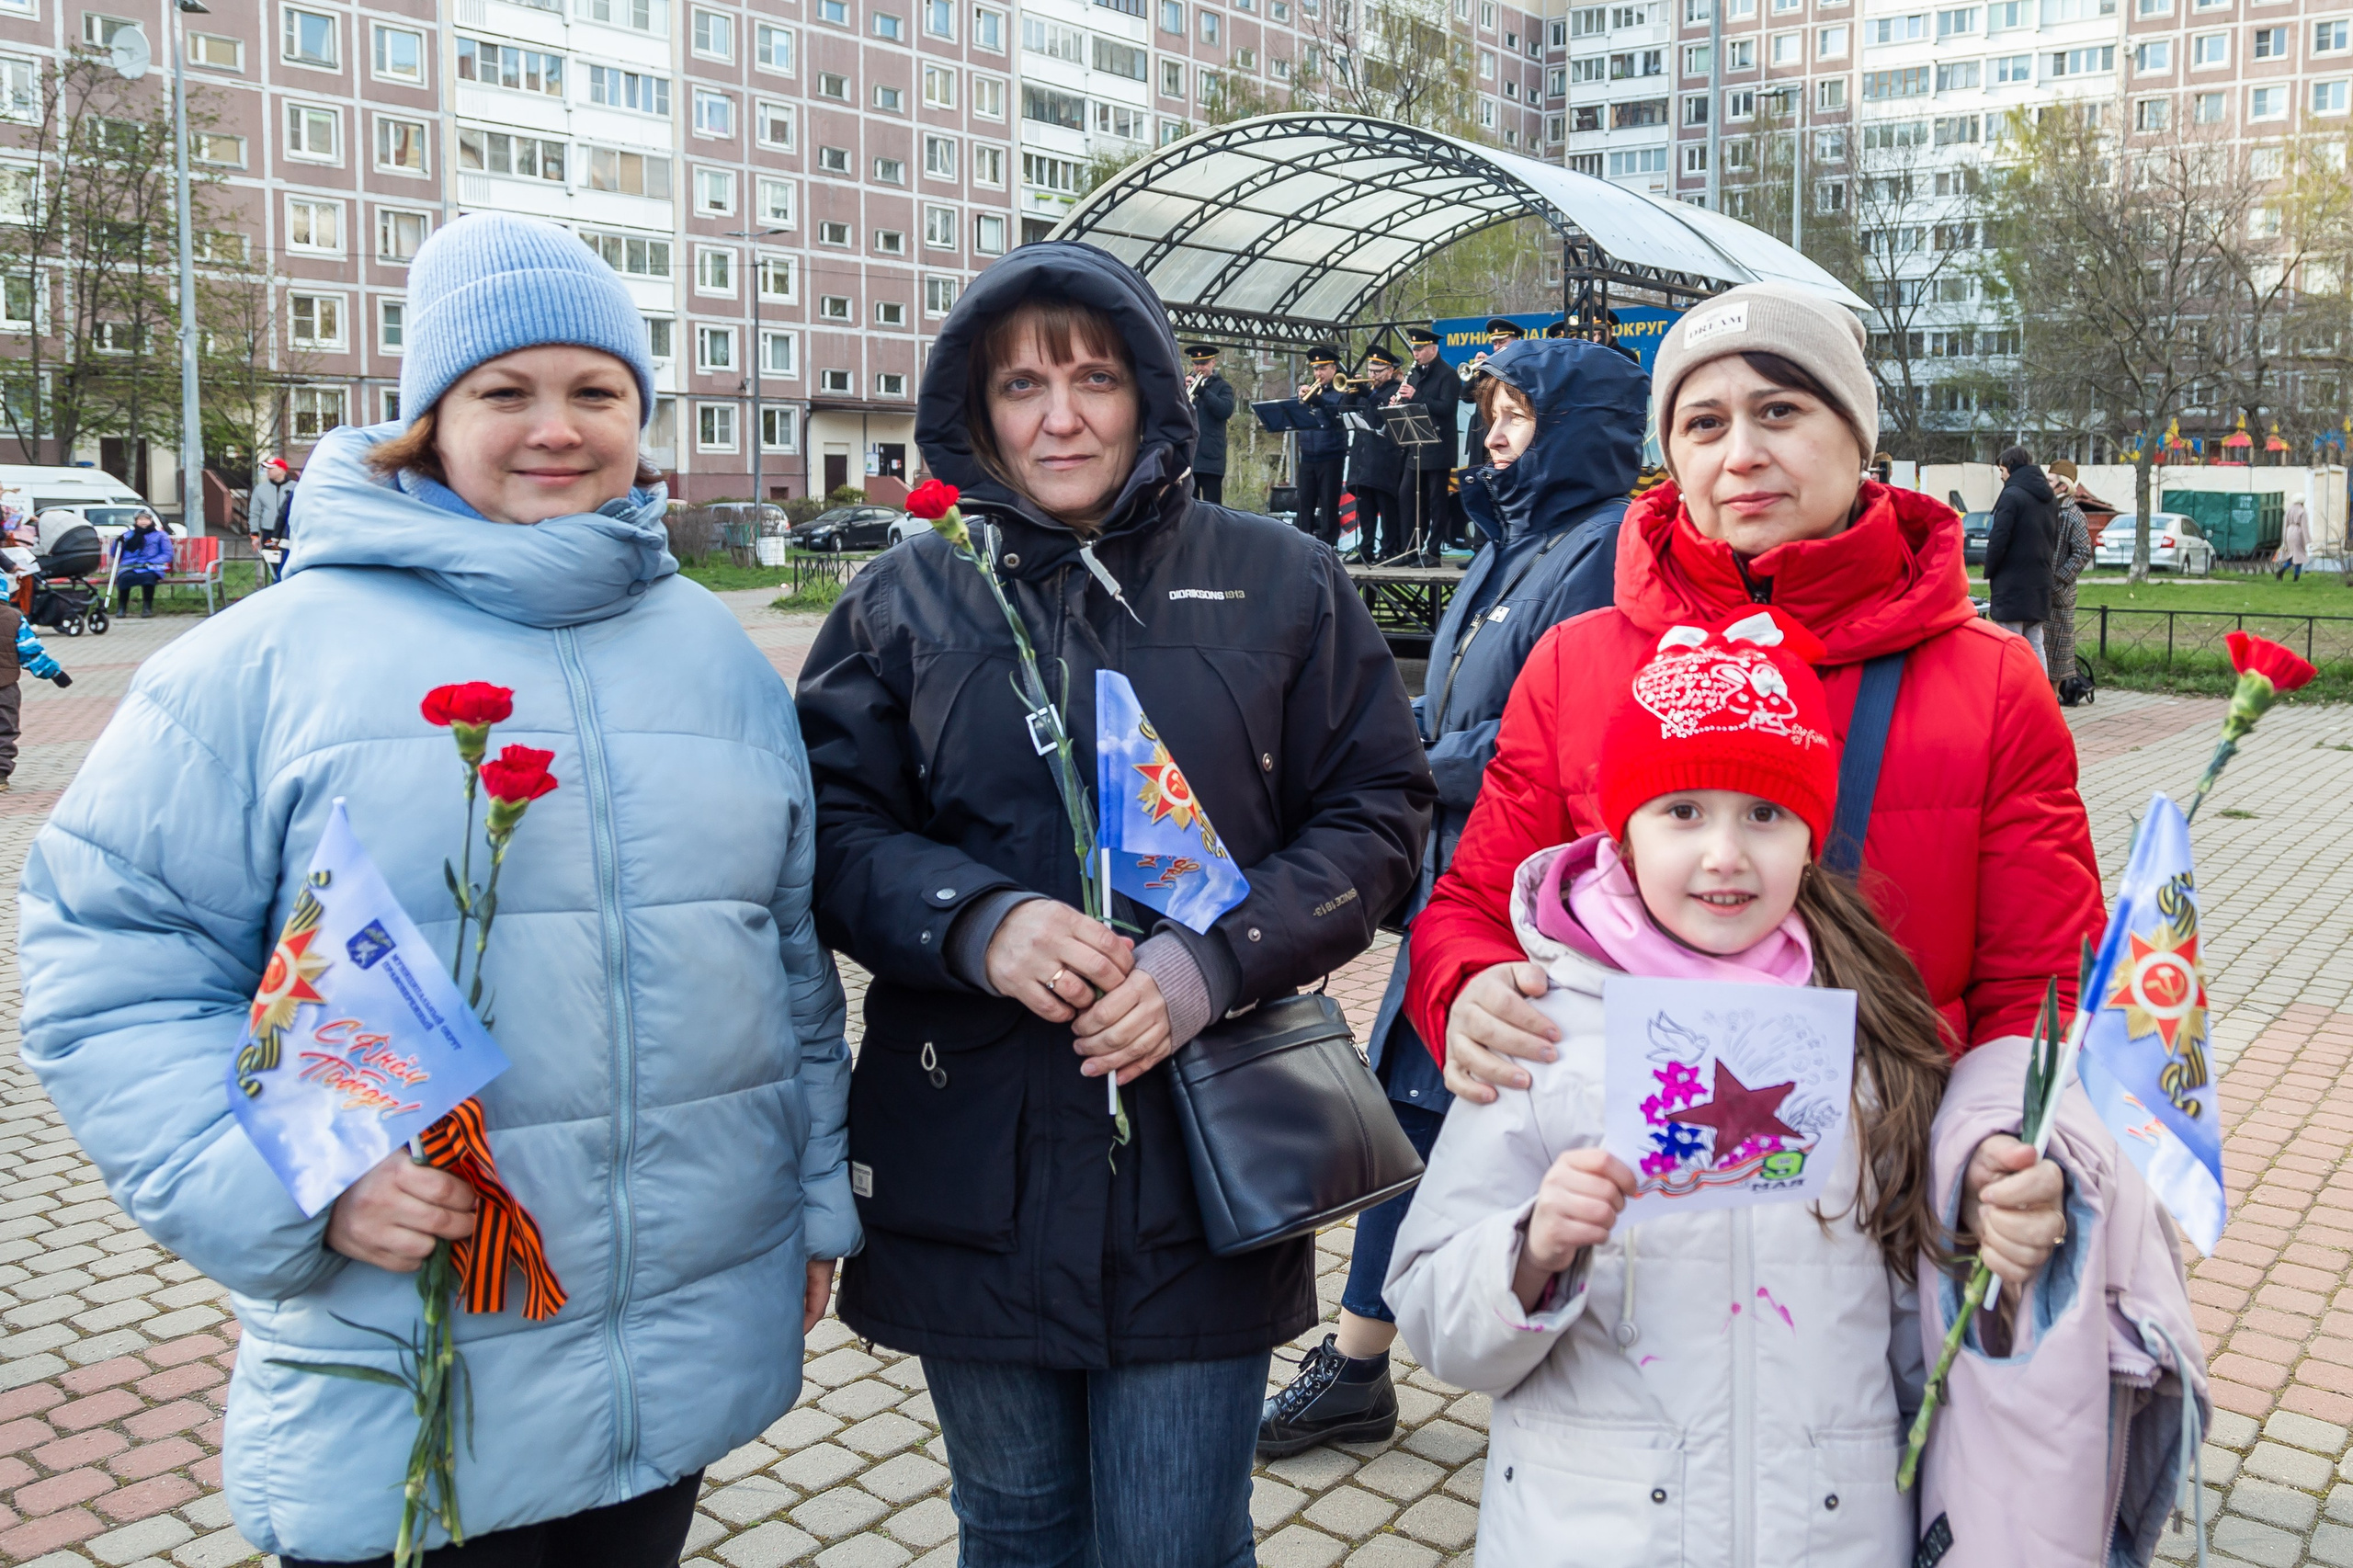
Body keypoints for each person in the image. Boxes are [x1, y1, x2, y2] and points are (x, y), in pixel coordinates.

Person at [17, 212, 856, 1568]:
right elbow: (109, 968)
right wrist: (304, 1185)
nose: (555, 427)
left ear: (641, 418)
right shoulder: (268, 658)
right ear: (428, 417)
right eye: (503, 390)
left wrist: (814, 1202)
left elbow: (786, 961)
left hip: (666, 1358)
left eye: (596, 392)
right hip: (407, 1360)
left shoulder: (713, 650)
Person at [794, 240, 1434, 1568]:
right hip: (970, 1148)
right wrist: (974, 920)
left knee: (1174, 1537)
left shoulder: (1281, 579)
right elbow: (829, 831)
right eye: (1022, 385)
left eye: (1093, 376)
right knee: (1016, 1531)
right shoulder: (904, 597)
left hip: (1203, 1159)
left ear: (1148, 390)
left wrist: (1217, 961)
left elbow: (1379, 816)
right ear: (975, 408)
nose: (1062, 414)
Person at [1387, 613, 2072, 1563]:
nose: (1723, 852)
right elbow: (1430, 1314)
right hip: (1597, 1529)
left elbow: (1922, 1333)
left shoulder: (1868, 1037)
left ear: (1809, 837)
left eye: (1764, 812)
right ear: (1621, 833)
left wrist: (1994, 1263)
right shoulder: (1545, 1029)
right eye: (1681, 811)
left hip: (1833, 1530)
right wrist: (1531, 1248)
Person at [1405, 281, 2103, 1113]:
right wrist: (1467, 989)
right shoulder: (1574, 663)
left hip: (1892, 1192)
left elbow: (2045, 983)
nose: (1740, 455)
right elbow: (1474, 906)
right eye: (1703, 424)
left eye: (1779, 412)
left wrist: (1993, 1140)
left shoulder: (1989, 681)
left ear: (1856, 437)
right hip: (1627, 1190)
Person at [1258, 335, 1648, 1457]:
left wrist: (1403, 767)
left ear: (1575, 427)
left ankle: (1371, 1359)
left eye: (1519, 413)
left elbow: (1552, 728)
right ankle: (1365, 1357)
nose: (1494, 431)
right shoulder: (1508, 539)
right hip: (1462, 875)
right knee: (1412, 1108)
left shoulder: (1599, 545)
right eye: (1495, 411)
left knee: (1436, 1109)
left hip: (1528, 892)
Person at [1394, 325, 1461, 562]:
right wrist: (1399, 401)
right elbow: (1410, 403)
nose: (1416, 353)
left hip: (1439, 447)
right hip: (1417, 446)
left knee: (1436, 500)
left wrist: (1416, 396)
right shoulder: (1414, 373)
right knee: (1408, 496)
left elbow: (1446, 408)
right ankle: (1410, 548)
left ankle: (1432, 551)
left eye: (1420, 349)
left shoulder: (1448, 374)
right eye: (1414, 349)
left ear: (1433, 349)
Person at [1985, 445, 2057, 664]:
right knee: (2036, 644)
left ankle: (2016, 696)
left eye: (2002, 470)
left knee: (2011, 645)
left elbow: (1999, 539)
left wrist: (1990, 569)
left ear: (2011, 467)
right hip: (2040, 583)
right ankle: (2041, 695)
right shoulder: (2049, 497)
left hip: (2012, 585)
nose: (2001, 476)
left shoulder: (2011, 496)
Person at [0, 594, 71, 790]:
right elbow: (30, 652)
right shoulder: (14, 618)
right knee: (4, 730)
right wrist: (55, 673)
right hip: (4, 687)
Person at [1346, 344, 1408, 562]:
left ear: (1390, 371)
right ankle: (1366, 548)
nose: (1373, 375)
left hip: (1385, 458)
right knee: (1365, 508)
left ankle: (1387, 549)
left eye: (1377, 371)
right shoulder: (1367, 391)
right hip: (1363, 458)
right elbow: (1345, 411)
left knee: (1386, 508)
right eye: (1371, 371)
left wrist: (1368, 394)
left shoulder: (1395, 390)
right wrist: (1351, 392)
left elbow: (1387, 413)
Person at [1291, 344, 1353, 547]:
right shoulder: (1311, 390)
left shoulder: (1341, 390)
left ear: (1333, 369)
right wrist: (1298, 398)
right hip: (1308, 454)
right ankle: (1301, 543)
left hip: (1331, 454)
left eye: (1323, 369)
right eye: (1316, 369)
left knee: (1329, 503)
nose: (1318, 373)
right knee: (1305, 502)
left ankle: (1328, 545)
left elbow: (1340, 417)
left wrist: (1321, 403)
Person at [2045, 460, 2095, 693]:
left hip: (2059, 595)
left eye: (2050, 480)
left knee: (2057, 655)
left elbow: (2083, 552)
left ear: (2063, 486)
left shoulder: (2072, 514)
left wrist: (2059, 580)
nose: (2045, 484)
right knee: (2044, 651)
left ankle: (2053, 699)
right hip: (2045, 592)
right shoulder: (2050, 508)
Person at [1185, 343, 1237, 506]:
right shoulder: (1183, 384)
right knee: (1187, 505)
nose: (1199, 368)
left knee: (1212, 506)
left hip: (1211, 457)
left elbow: (1225, 410)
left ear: (1213, 363)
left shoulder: (1223, 386)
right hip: (1188, 456)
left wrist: (1203, 392)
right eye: (1196, 364)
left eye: (1204, 363)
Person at [109, 508, 174, 618]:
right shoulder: (128, 535)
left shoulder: (160, 535)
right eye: (140, 519)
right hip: (130, 566)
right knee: (124, 578)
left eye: (146, 519)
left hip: (150, 567)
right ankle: (122, 608)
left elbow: (167, 554)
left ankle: (147, 608)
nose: (143, 521)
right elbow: (115, 553)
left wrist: (151, 561)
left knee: (148, 578)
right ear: (136, 521)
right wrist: (118, 542)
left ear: (150, 521)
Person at [250, 456, 292, 540]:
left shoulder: (296, 487)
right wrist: (254, 533)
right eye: (267, 469)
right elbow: (254, 512)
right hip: (268, 531)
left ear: (281, 469)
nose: (268, 471)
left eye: (271, 468)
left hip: (289, 531)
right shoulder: (260, 489)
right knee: (268, 552)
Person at [2278, 494, 2312, 580]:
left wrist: (2284, 539)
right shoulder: (2302, 511)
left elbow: (2285, 525)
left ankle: (2282, 570)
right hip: (2298, 533)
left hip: (2289, 532)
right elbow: (2304, 526)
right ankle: (2296, 577)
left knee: (2292, 555)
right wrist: (2308, 540)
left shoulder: (2289, 510)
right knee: (2299, 556)